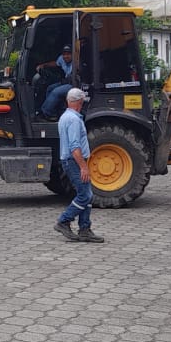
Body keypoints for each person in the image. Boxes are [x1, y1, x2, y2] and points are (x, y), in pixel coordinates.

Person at [54, 88, 104, 243]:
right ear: (80, 102)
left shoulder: (65, 117)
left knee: (87, 194)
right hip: (74, 161)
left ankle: (85, 229)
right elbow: (75, 147)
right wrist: (83, 166)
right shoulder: (74, 120)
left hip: (71, 161)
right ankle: (64, 221)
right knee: (85, 195)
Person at [34, 45, 74, 116]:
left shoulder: (76, 61)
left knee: (55, 91)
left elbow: (75, 76)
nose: (66, 56)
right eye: (64, 54)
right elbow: (55, 63)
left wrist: (65, 80)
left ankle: (46, 112)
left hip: (73, 84)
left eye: (68, 54)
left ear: (72, 54)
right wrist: (43, 65)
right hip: (65, 81)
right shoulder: (62, 58)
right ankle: (52, 110)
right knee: (50, 88)